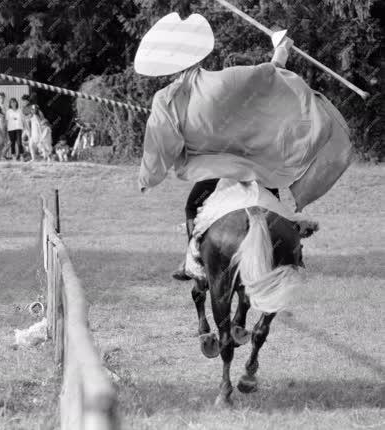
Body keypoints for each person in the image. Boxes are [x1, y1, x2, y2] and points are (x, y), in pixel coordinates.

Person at [135, 15, 352, 281]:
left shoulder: (166, 100)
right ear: (200, 53)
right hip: (256, 169)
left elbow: (160, 143)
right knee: (273, 205)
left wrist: (148, 177)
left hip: (212, 172)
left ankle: (192, 262)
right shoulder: (227, 80)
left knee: (193, 208)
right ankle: (294, 249)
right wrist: (281, 48)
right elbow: (268, 77)